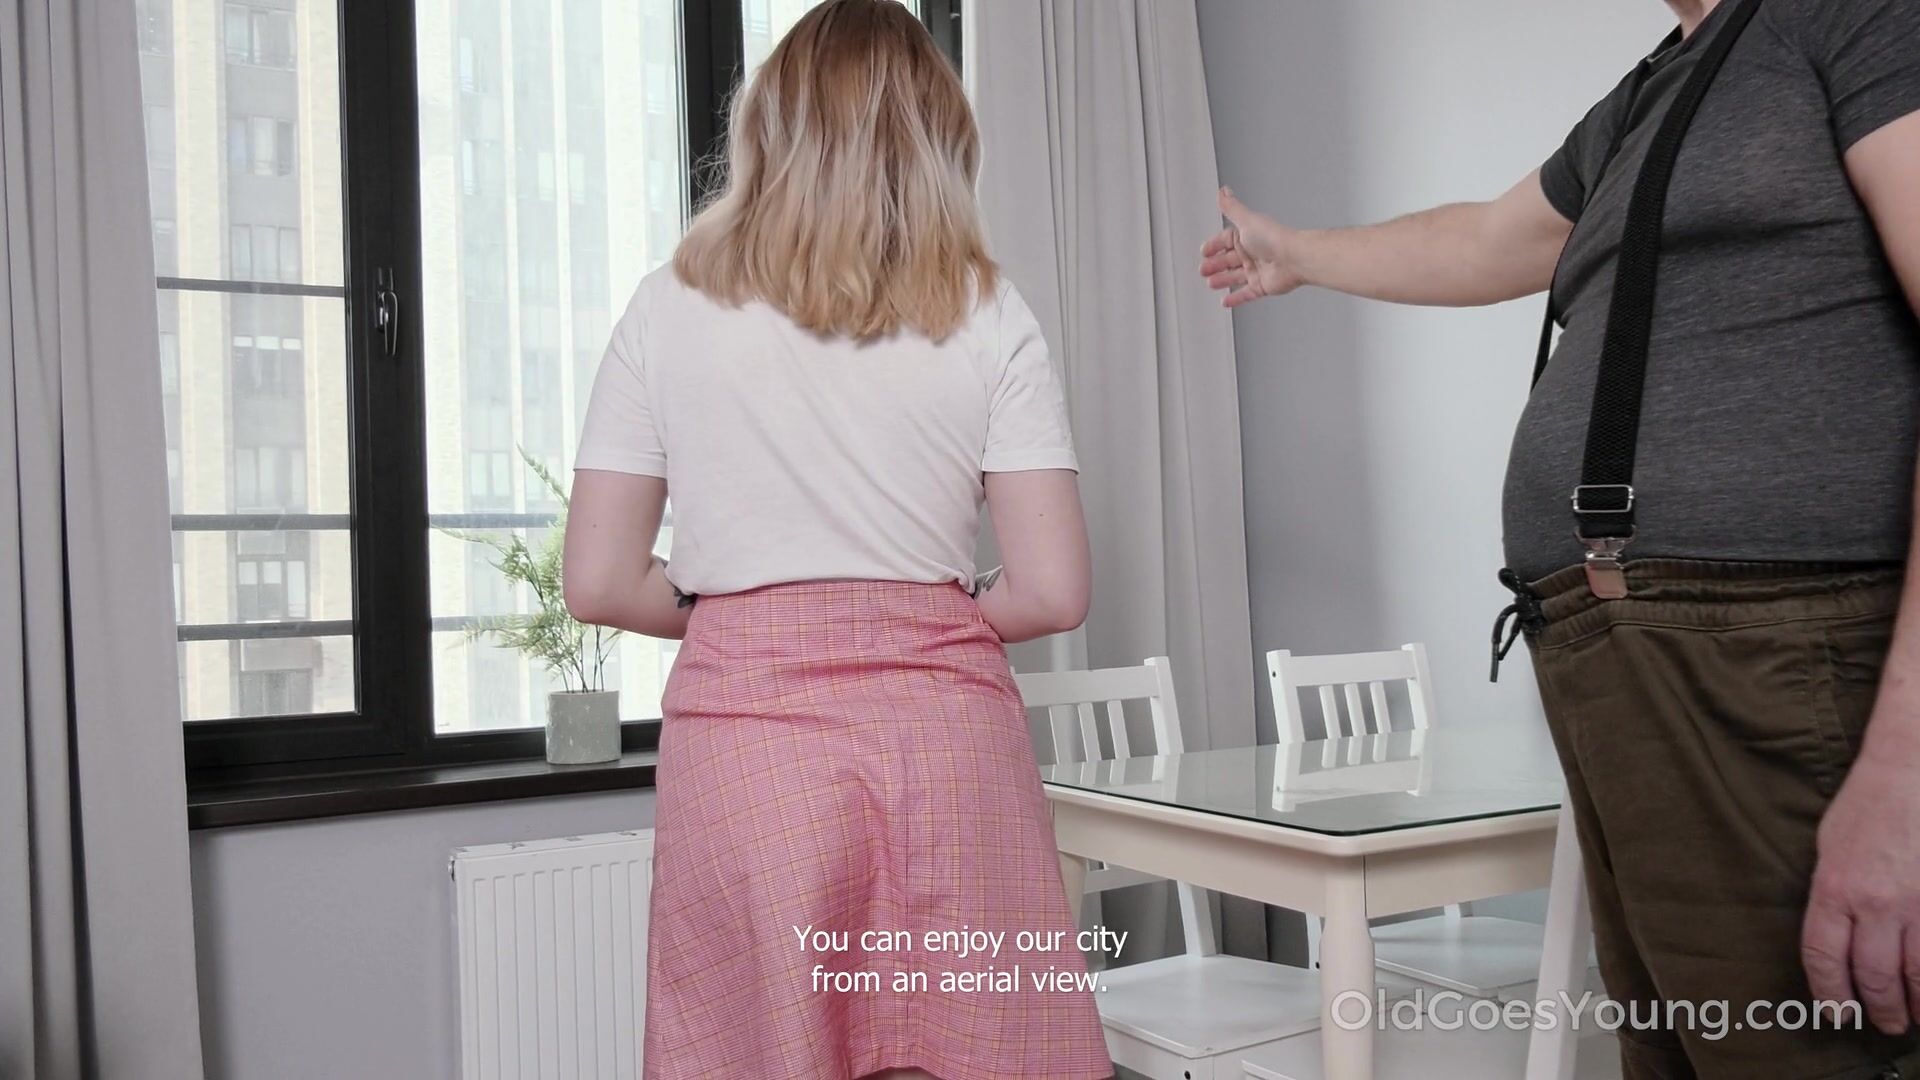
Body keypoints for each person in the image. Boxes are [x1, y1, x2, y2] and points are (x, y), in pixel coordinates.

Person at [1198, 0, 1920, 1077]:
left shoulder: (1858, 17)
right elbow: (1485, 239)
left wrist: (1907, 778)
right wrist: (1295, 253)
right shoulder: (1646, 96)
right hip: (1624, 662)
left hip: (1769, 657)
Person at [561, 3, 1111, 1078]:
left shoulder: (666, 309)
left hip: (748, 748)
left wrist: (739, 610)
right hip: (947, 745)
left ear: (768, 126)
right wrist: (926, 610)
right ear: (937, 136)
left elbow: (599, 581)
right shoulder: (988, 311)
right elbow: (1051, 592)